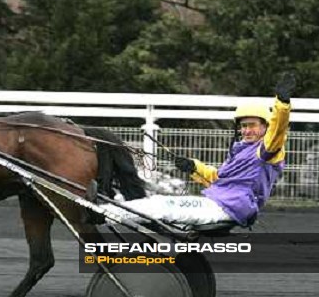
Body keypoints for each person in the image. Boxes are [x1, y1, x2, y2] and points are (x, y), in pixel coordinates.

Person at [103, 73, 295, 228]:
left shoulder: (267, 149)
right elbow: (218, 179)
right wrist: (193, 166)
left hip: (227, 207)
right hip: (219, 203)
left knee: (159, 205)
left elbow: (279, 129)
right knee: (158, 203)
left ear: (265, 127)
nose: (246, 130)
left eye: (251, 125)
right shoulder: (240, 150)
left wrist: (282, 104)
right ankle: (105, 211)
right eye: (243, 126)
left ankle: (102, 213)